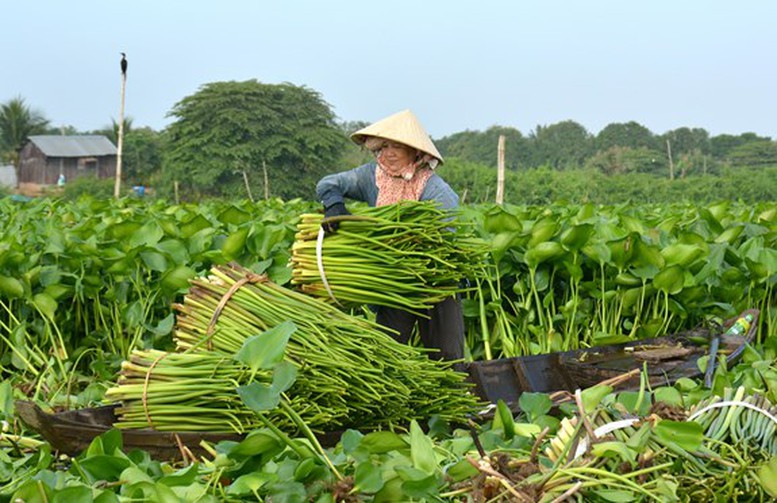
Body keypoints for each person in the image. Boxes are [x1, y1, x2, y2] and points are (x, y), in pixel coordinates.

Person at [316, 109, 464, 361]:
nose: (389, 153)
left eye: (397, 147)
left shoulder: (436, 190)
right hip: (392, 280)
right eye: (384, 147)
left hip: (434, 279)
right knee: (388, 351)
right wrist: (334, 206)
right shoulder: (371, 176)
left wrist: (406, 247)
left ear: (415, 152)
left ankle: (454, 395)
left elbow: (443, 235)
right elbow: (328, 183)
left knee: (447, 356)